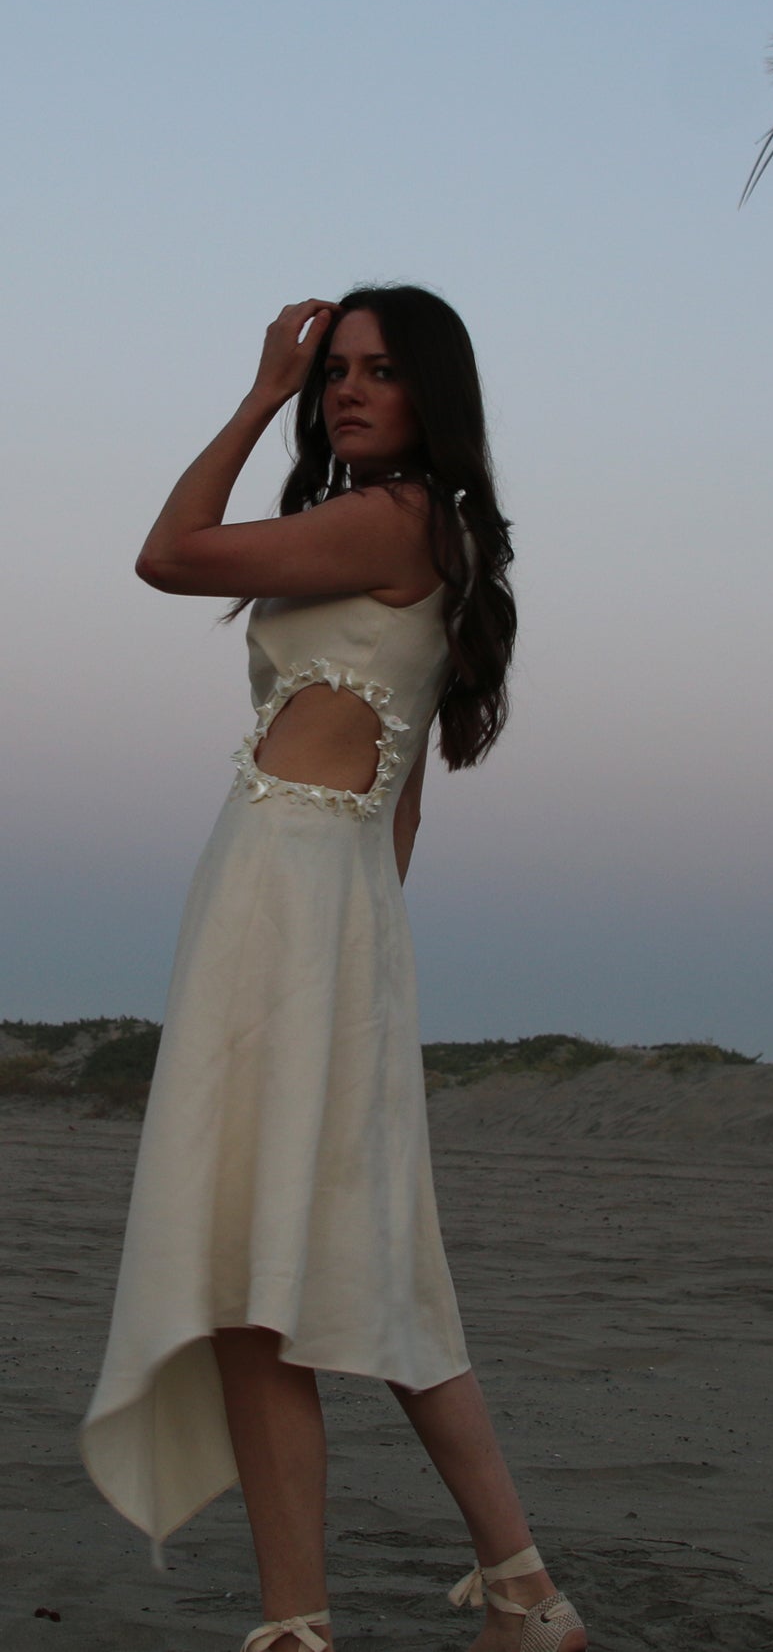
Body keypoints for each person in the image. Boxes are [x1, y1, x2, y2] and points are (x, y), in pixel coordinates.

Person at [79, 289, 587, 1652]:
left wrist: (256, 396)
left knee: (301, 1269)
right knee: (289, 1276)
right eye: (332, 375)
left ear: (432, 396)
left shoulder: (396, 518)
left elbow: (169, 552)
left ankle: (488, 1593)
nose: (344, 392)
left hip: (286, 898)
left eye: (375, 372)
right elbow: (403, 802)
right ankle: (395, 1609)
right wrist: (355, 964)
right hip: (310, 903)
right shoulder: (432, 536)